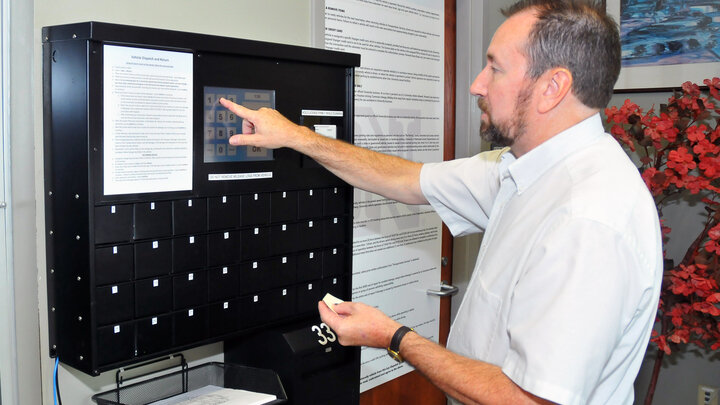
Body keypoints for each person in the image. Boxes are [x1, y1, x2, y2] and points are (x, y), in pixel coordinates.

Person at [219, 0, 663, 403]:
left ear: (553, 87)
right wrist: (296, 136)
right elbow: (408, 180)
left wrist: (393, 336)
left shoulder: (589, 217)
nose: (476, 85)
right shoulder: (520, 170)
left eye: (495, 68)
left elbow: (532, 400)